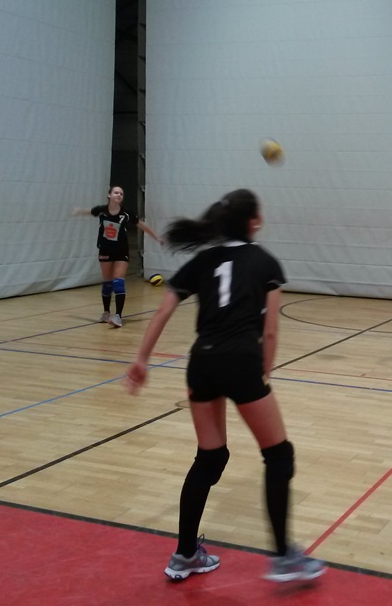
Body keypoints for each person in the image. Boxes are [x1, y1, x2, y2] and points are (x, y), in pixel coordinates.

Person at [124, 189, 325, 583]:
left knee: (210, 457)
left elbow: (164, 309)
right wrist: (263, 373)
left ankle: (184, 554)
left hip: (201, 362)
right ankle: (285, 558)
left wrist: (141, 359)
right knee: (279, 455)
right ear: (253, 221)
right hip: (240, 360)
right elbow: (271, 330)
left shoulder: (203, 260)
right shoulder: (265, 261)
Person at [72, 185, 161, 328]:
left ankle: (118, 316)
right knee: (107, 282)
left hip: (121, 251)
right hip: (105, 250)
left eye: (121, 193)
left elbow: (141, 225)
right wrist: (78, 211)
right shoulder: (102, 210)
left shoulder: (126, 213)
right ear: (109, 195)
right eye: (116, 192)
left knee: (118, 282)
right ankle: (106, 312)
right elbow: (90, 211)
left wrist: (156, 237)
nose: (119, 195)